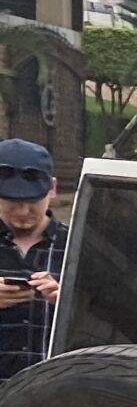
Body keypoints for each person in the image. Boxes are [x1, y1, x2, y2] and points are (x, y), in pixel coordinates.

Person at [0, 139, 67, 382]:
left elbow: (114, 325)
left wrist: (68, 304)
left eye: (32, 202)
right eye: (11, 202)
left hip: (54, 396)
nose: (22, 211)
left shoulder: (78, 247)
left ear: (52, 188)